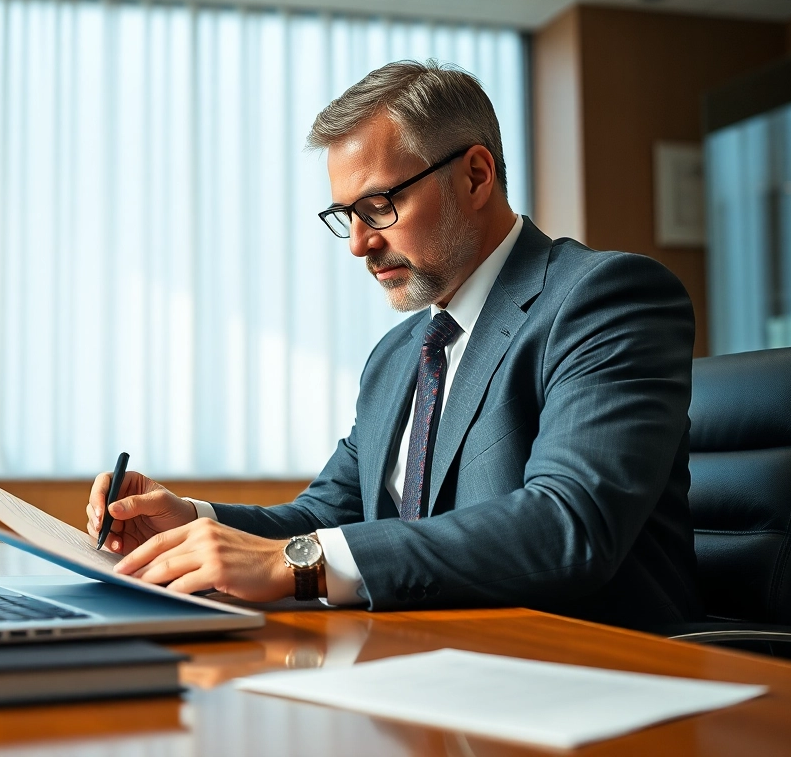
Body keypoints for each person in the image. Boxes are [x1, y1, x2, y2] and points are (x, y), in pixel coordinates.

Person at [85, 60, 702, 629]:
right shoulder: (399, 354)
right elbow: (326, 517)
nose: (358, 244)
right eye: (344, 215)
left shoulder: (605, 298)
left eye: (378, 205)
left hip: (589, 670)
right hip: (430, 660)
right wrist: (191, 524)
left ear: (476, 176)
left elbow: (569, 525)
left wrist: (299, 564)